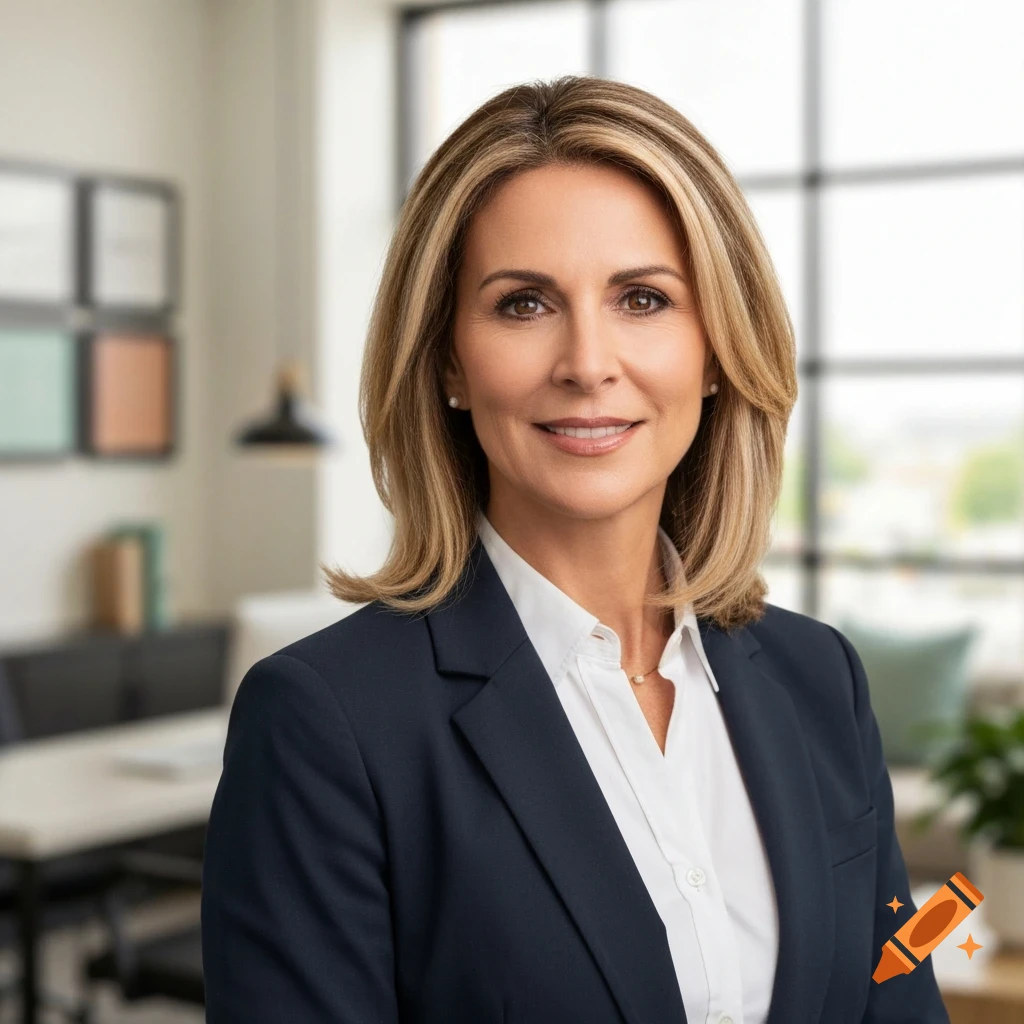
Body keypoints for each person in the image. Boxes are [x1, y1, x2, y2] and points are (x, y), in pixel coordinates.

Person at [201, 75, 950, 1024]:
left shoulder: (819, 680)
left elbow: (898, 993)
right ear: (446, 362)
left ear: (716, 347)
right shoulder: (326, 724)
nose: (588, 362)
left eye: (642, 298)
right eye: (523, 304)